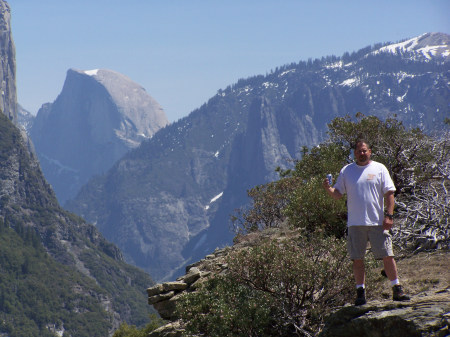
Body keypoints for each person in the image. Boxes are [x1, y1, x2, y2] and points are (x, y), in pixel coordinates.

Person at [323, 139, 410, 305]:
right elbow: (338, 194)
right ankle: (360, 293)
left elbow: (390, 194)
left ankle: (397, 288)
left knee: (387, 255)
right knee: (357, 258)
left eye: (364, 150)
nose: (362, 153)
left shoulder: (379, 168)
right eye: (359, 151)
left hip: (377, 222)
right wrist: (328, 189)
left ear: (369, 151)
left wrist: (389, 216)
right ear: (354, 153)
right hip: (355, 223)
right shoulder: (347, 171)